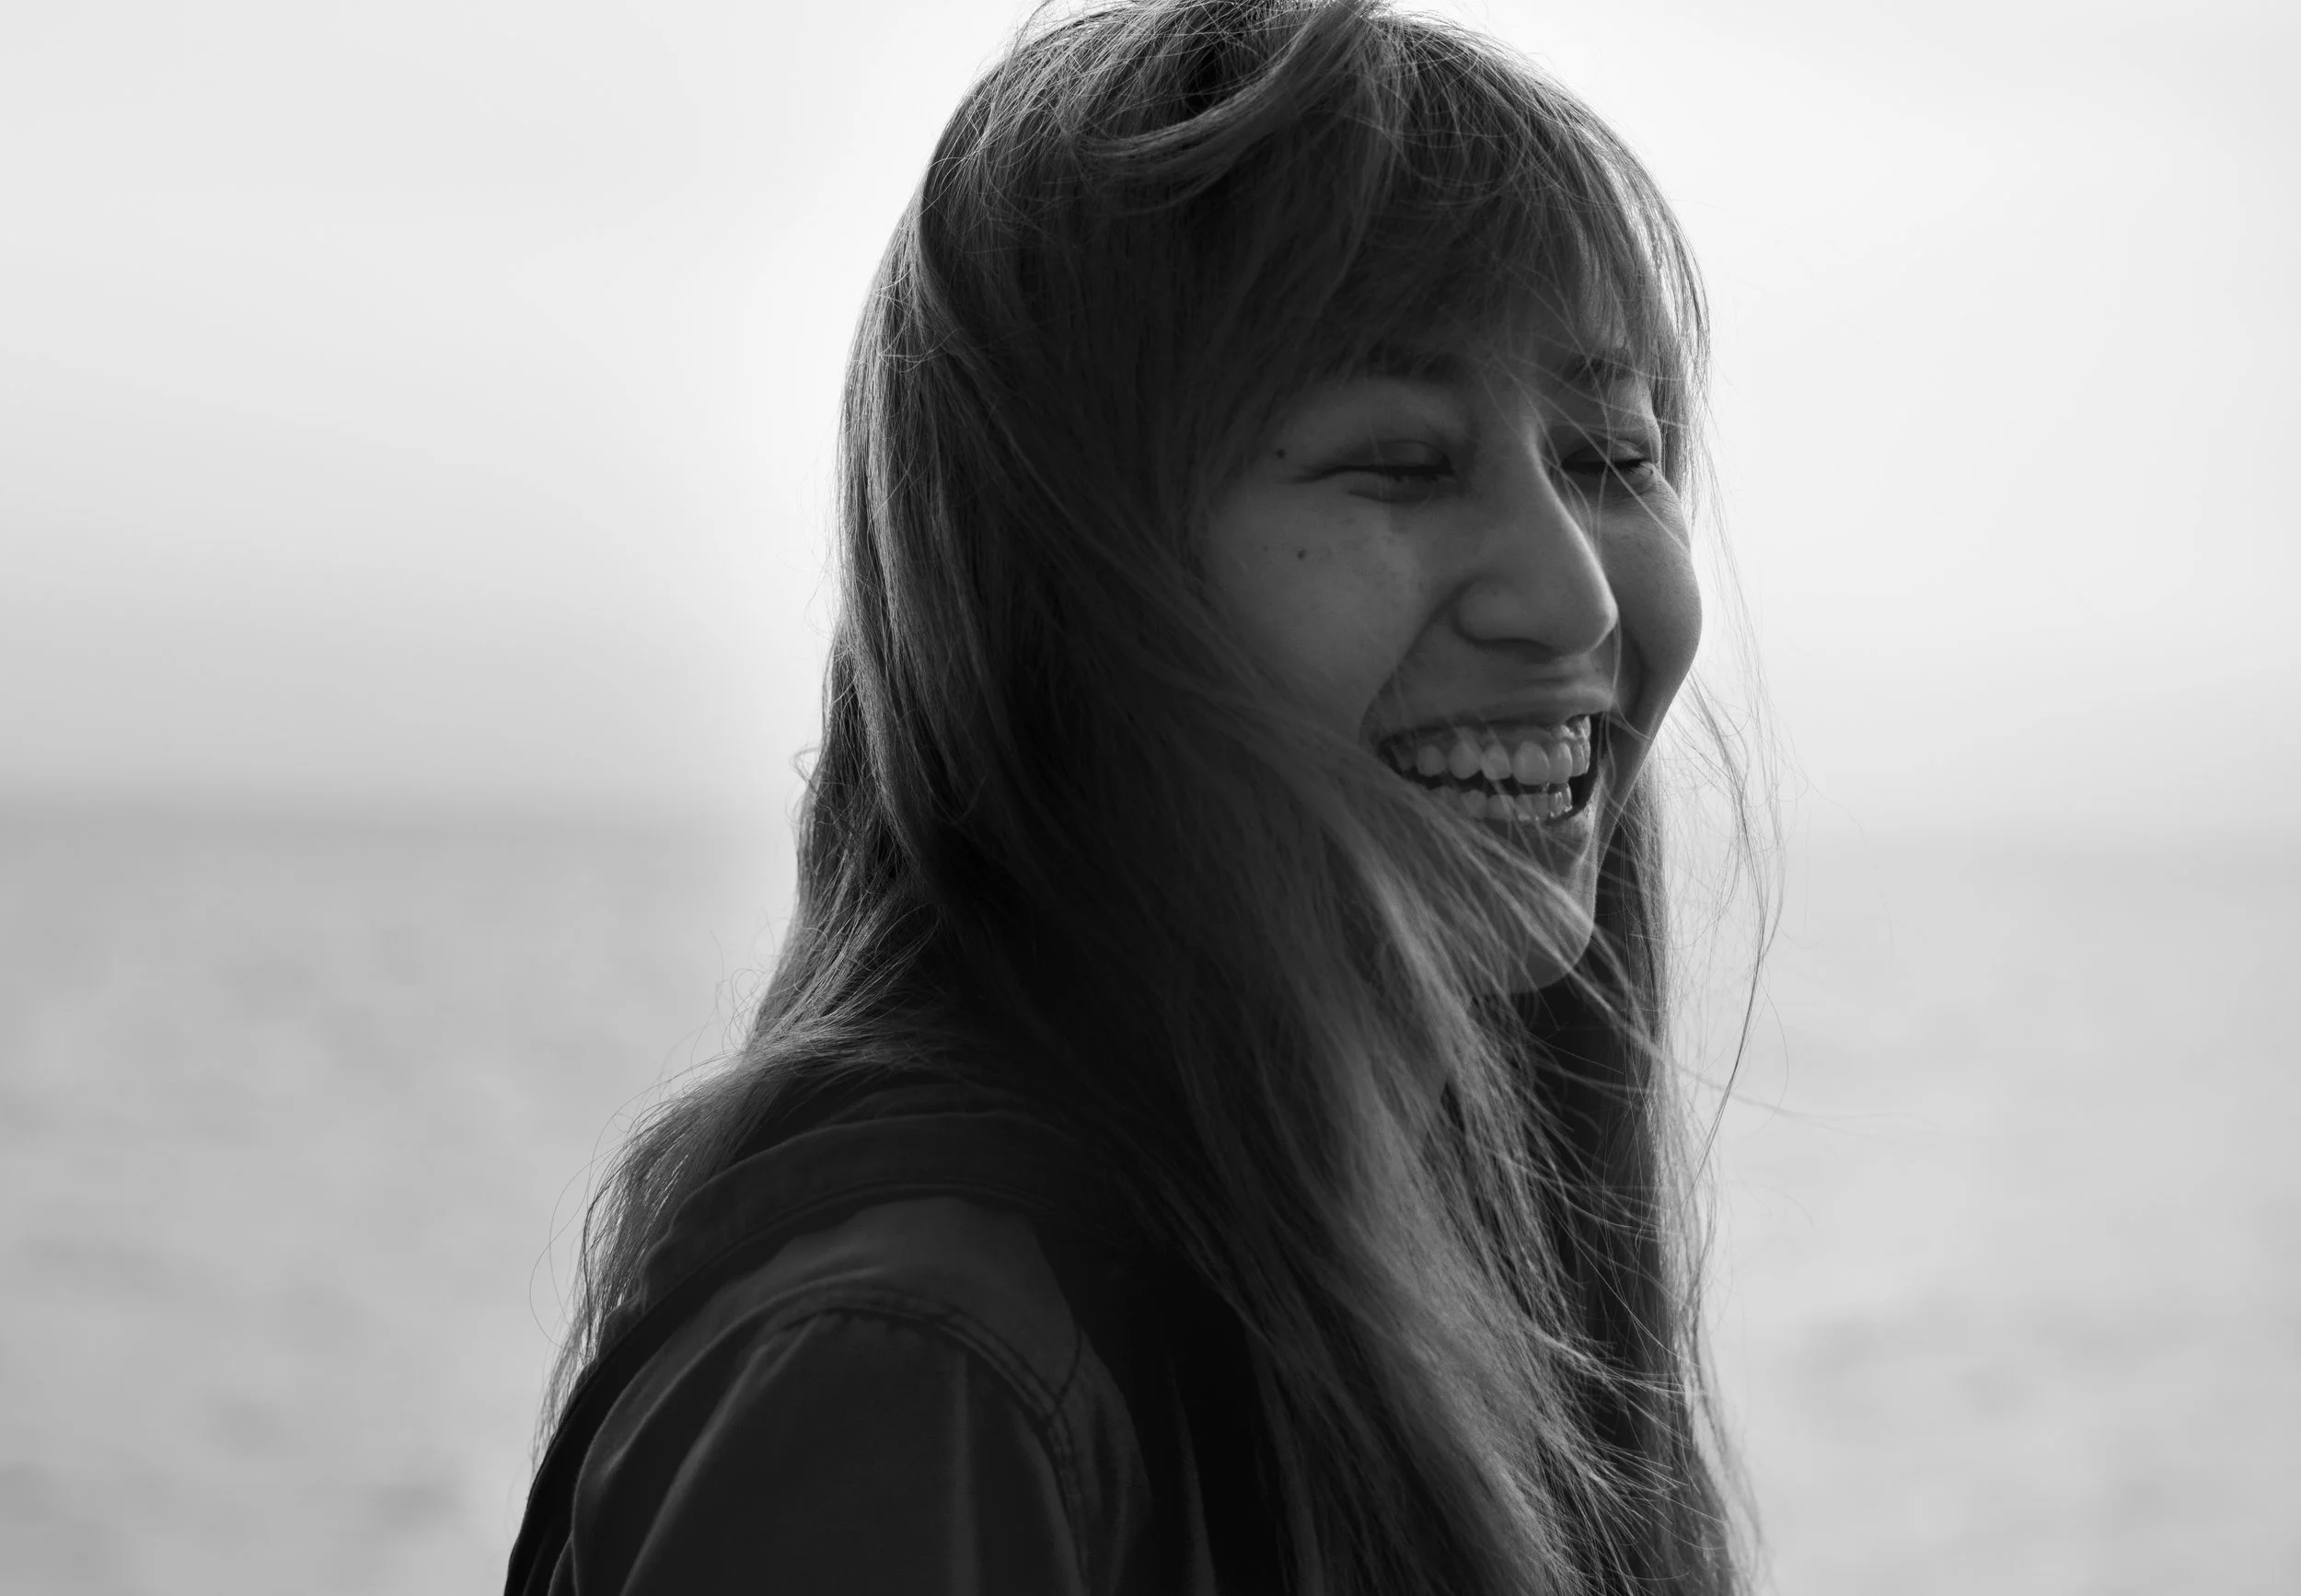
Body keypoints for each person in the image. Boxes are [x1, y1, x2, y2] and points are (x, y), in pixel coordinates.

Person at [512, 1, 1766, 1591]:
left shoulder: (1423, 1301)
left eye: (1610, 454)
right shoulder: (925, 1373)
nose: (1574, 599)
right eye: (1398, 461)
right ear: (1065, 594)